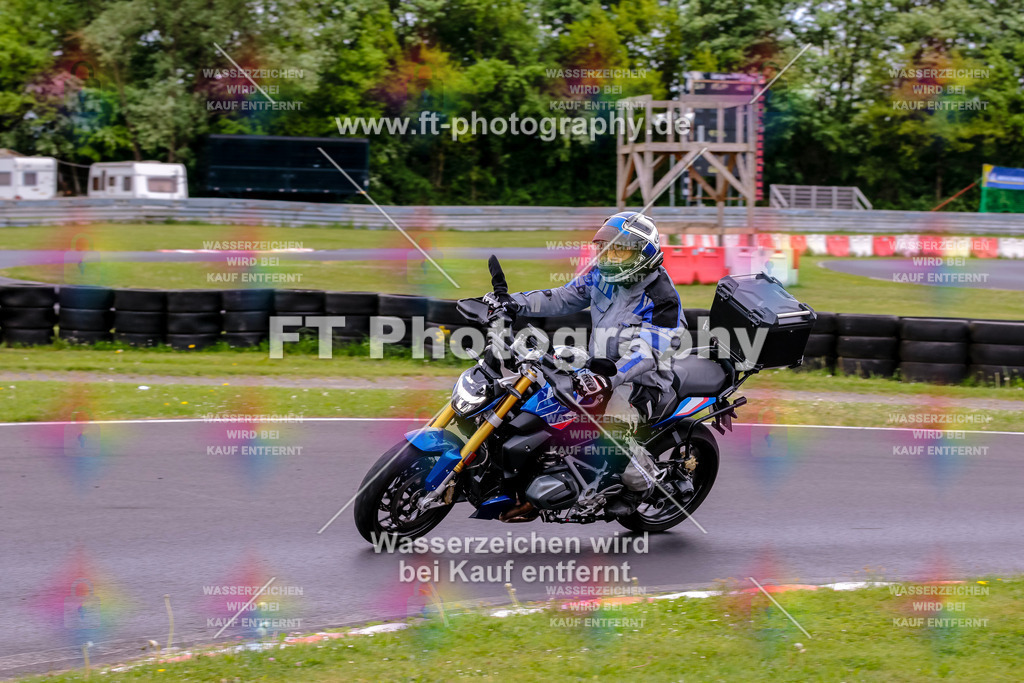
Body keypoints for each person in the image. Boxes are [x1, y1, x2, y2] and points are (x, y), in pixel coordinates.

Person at [486, 211, 685, 517]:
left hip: (639, 383)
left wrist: (611, 378)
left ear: (642, 254)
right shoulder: (603, 276)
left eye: (617, 251)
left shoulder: (662, 298)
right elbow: (564, 296)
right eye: (604, 249)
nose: (607, 257)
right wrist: (515, 302)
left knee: (611, 433)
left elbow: (648, 352)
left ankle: (640, 486)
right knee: (535, 391)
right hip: (596, 367)